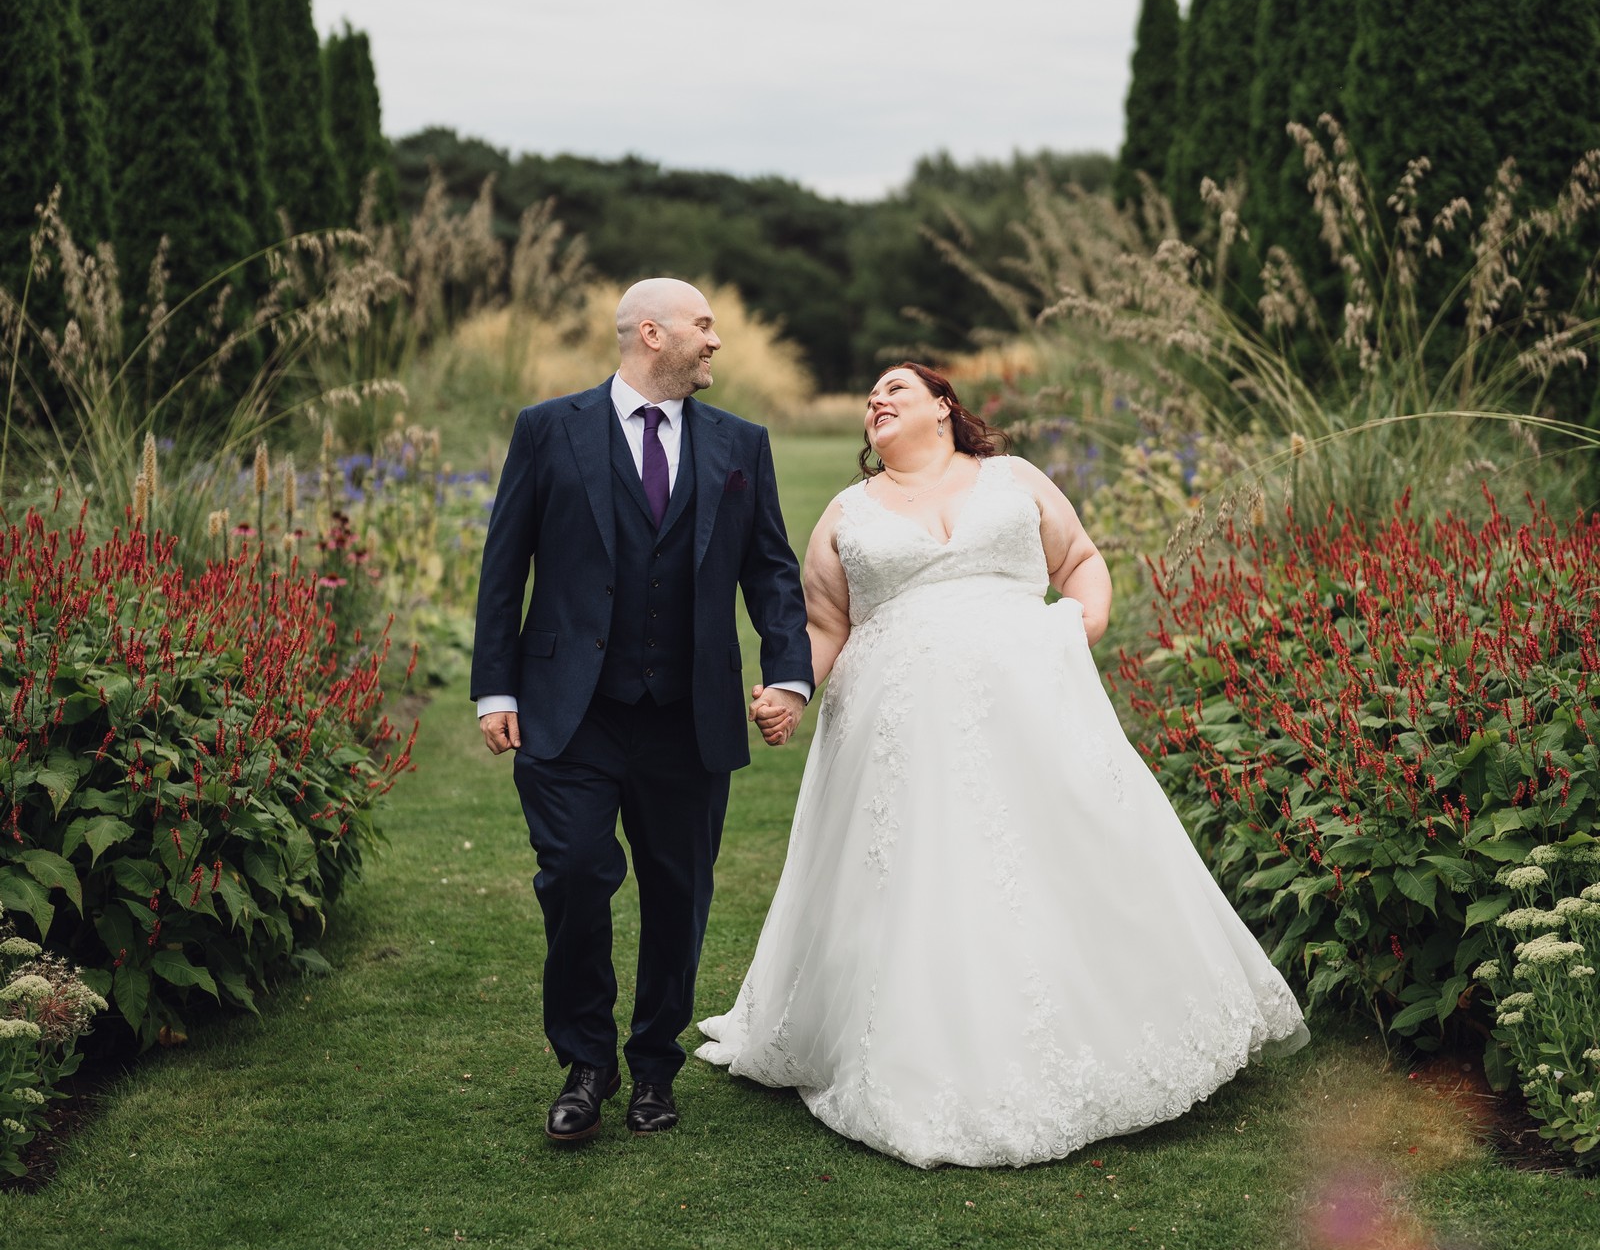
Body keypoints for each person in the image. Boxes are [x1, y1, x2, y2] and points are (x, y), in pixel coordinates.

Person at [697, 362, 1306, 1169]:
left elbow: (1079, 560)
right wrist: (790, 692)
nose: (876, 400)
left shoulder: (1013, 478)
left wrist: (1075, 631)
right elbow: (825, 624)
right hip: (904, 731)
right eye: (870, 398)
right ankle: (928, 1046)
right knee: (929, 875)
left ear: (943, 406)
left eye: (895, 389)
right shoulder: (848, 511)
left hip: (1032, 705)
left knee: (1062, 855)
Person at [472, 279, 812, 1143]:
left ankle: (655, 1066)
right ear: (651, 334)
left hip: (688, 714)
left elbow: (770, 569)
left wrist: (788, 674)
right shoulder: (548, 429)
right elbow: (505, 564)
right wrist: (495, 687)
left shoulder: (741, 442)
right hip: (569, 709)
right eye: (704, 326)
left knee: (677, 894)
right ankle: (586, 1063)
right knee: (574, 874)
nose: (716, 341)